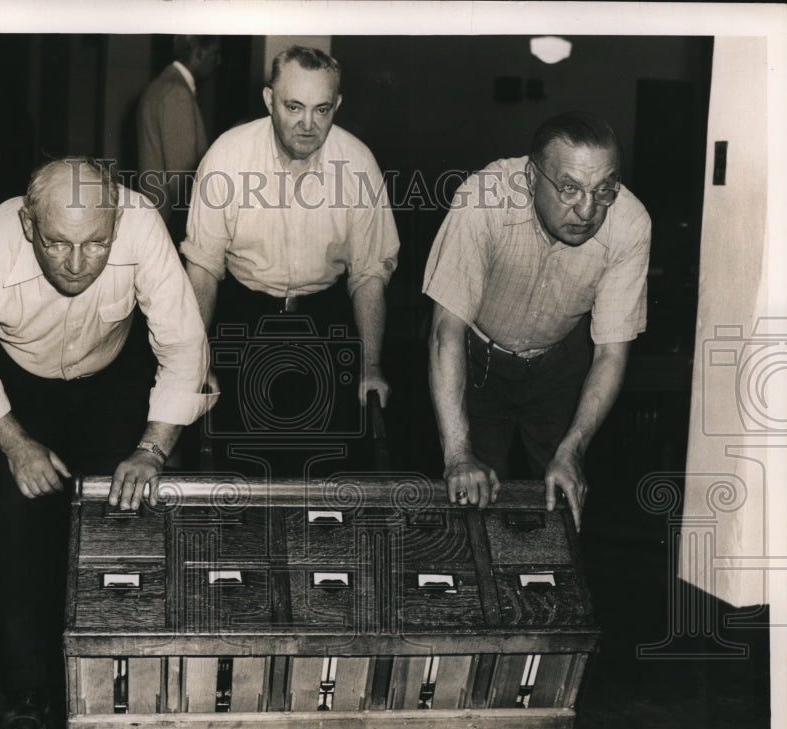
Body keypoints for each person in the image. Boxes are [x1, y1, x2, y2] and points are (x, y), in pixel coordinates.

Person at [0, 157, 214, 729]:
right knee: (18, 525)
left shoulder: (141, 225)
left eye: (96, 244)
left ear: (116, 224)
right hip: (19, 387)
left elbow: (185, 347)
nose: (78, 264)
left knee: (126, 520)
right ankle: (27, 688)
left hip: (111, 377)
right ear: (29, 225)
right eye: (59, 243)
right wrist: (14, 442)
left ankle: (124, 676)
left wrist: (153, 448)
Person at [424, 112, 651, 531]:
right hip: (477, 361)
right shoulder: (484, 198)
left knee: (561, 503)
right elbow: (445, 331)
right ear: (531, 176)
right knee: (470, 506)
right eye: (569, 188)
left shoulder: (631, 223)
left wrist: (574, 450)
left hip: (559, 367)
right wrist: (458, 455)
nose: (587, 210)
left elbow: (612, 352)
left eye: (604, 190)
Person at [180, 46, 399, 473]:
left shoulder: (358, 163)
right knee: (238, 469)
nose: (307, 124)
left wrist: (371, 365)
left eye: (321, 110)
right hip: (243, 317)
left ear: (337, 105)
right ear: (269, 101)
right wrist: (195, 359)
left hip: (324, 322)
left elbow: (370, 273)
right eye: (293, 107)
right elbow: (203, 268)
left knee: (324, 472)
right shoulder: (227, 157)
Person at [137, 34, 221, 242]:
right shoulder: (176, 93)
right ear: (200, 53)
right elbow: (182, 182)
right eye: (215, 54)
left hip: (155, 219)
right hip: (171, 226)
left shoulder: (160, 85)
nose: (219, 61)